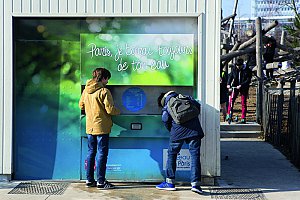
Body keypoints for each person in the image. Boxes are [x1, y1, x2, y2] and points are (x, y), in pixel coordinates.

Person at [156, 91, 205, 194]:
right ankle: (195, 184)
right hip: (194, 130)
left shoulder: (168, 103)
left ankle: (170, 183)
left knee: (172, 155)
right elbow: (197, 107)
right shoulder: (186, 97)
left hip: (177, 132)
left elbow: (165, 118)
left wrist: (171, 129)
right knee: (195, 156)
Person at [79, 67, 120, 189]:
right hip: (101, 127)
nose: (107, 82)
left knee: (91, 152)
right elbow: (110, 110)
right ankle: (101, 182)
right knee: (102, 153)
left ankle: (89, 180)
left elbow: (81, 105)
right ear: (103, 78)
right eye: (107, 79)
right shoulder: (104, 91)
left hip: (90, 127)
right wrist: (119, 111)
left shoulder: (86, 90)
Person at [226, 58, 252, 124]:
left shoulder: (247, 70)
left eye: (239, 66)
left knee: (243, 102)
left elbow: (248, 80)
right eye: (237, 66)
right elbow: (231, 76)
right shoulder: (234, 69)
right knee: (231, 100)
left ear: (242, 65)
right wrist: (228, 84)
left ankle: (243, 117)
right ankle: (229, 114)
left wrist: (241, 85)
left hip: (243, 87)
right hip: (235, 86)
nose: (238, 67)